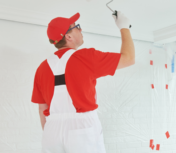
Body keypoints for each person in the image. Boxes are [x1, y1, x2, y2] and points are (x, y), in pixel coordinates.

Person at [31, 11, 134, 153]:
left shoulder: (41, 68)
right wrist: (124, 27)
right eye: (76, 26)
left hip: (51, 131)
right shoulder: (85, 57)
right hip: (82, 129)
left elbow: (42, 108)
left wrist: (52, 132)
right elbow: (129, 58)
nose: (80, 29)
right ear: (68, 36)